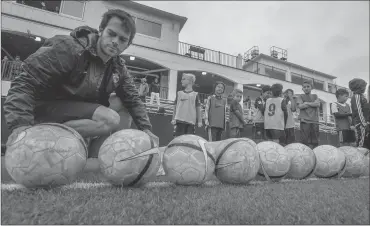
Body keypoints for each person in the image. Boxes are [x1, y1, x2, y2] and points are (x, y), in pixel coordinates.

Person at [3, 9, 159, 160]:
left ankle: (95, 159)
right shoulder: (69, 47)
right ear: (101, 30)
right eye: (112, 34)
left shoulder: (118, 68)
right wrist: (20, 126)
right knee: (109, 119)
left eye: (122, 39)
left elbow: (133, 99)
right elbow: (25, 82)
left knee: (124, 104)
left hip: (75, 111)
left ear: (127, 45)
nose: (115, 42)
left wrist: (147, 129)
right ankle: (41, 138)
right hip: (45, 109)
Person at [296, 81, 321, 149]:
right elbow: (300, 106)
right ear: (302, 89)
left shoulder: (315, 96)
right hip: (305, 120)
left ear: (311, 88)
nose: (306, 88)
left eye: (308, 86)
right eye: (304, 87)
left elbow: (318, 104)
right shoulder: (300, 96)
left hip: (314, 121)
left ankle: (314, 154)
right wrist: (312, 104)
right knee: (304, 141)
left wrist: (306, 103)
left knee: (315, 141)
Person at [349, 78, 369, 148]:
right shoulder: (357, 96)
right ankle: (360, 157)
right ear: (359, 87)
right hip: (361, 124)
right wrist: (363, 123)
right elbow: (358, 110)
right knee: (362, 143)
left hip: (365, 124)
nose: (365, 88)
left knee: (366, 142)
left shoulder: (362, 96)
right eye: (364, 86)